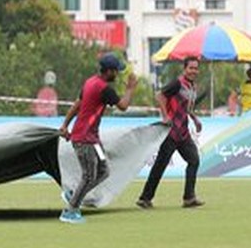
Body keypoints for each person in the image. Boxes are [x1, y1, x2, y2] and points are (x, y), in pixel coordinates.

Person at [58, 52, 138, 224]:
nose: (117, 74)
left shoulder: (90, 82)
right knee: (89, 176)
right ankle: (70, 211)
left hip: (90, 139)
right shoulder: (104, 88)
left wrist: (65, 124)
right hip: (85, 139)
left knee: (103, 171)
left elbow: (77, 105)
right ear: (108, 71)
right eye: (116, 71)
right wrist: (130, 89)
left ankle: (73, 194)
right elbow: (123, 106)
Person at [136, 56, 204, 209]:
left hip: (183, 132)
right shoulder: (177, 83)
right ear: (184, 69)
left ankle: (189, 198)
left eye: (196, 68)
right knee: (160, 164)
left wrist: (195, 119)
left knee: (194, 160)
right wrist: (165, 116)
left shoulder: (192, 86)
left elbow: (187, 107)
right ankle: (145, 198)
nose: (194, 71)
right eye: (191, 68)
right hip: (171, 132)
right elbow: (160, 95)